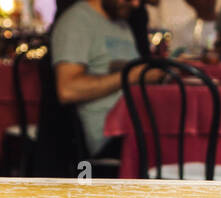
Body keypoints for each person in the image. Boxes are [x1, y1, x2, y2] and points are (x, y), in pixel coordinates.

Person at [52, 0, 153, 156]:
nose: (135, 4)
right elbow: (67, 89)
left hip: (136, 125)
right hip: (109, 137)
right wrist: (132, 76)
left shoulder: (122, 24)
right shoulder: (77, 21)